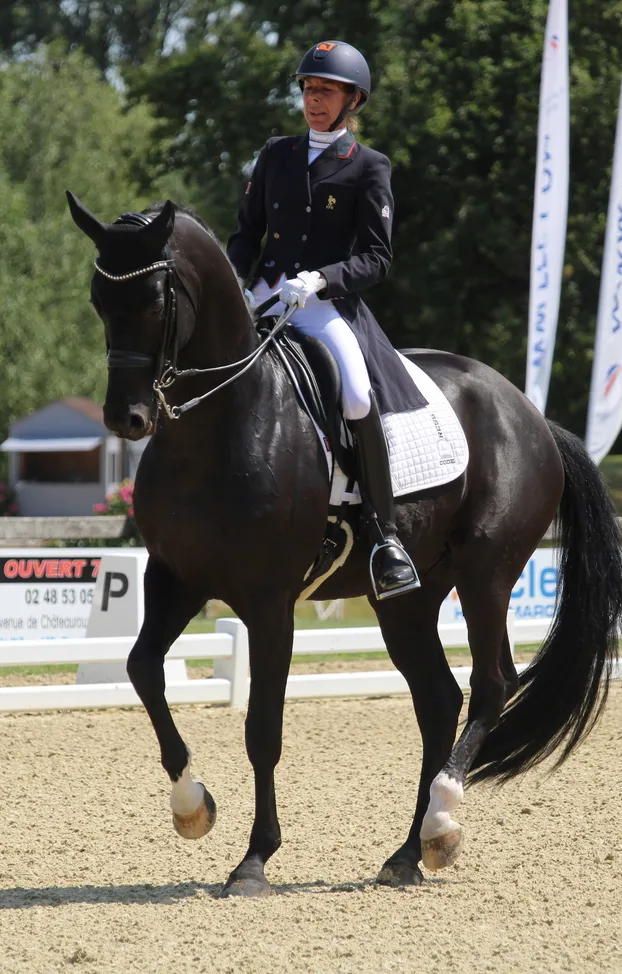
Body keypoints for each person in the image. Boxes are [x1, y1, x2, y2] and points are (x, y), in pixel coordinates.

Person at [226, 39, 427, 600]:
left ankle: (385, 536)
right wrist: (237, 284)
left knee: (357, 396)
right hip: (264, 296)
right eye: (309, 90)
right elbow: (247, 232)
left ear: (351, 101)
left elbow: (377, 258)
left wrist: (320, 279)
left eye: (327, 92)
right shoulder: (276, 154)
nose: (314, 100)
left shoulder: (368, 166)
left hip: (322, 304)